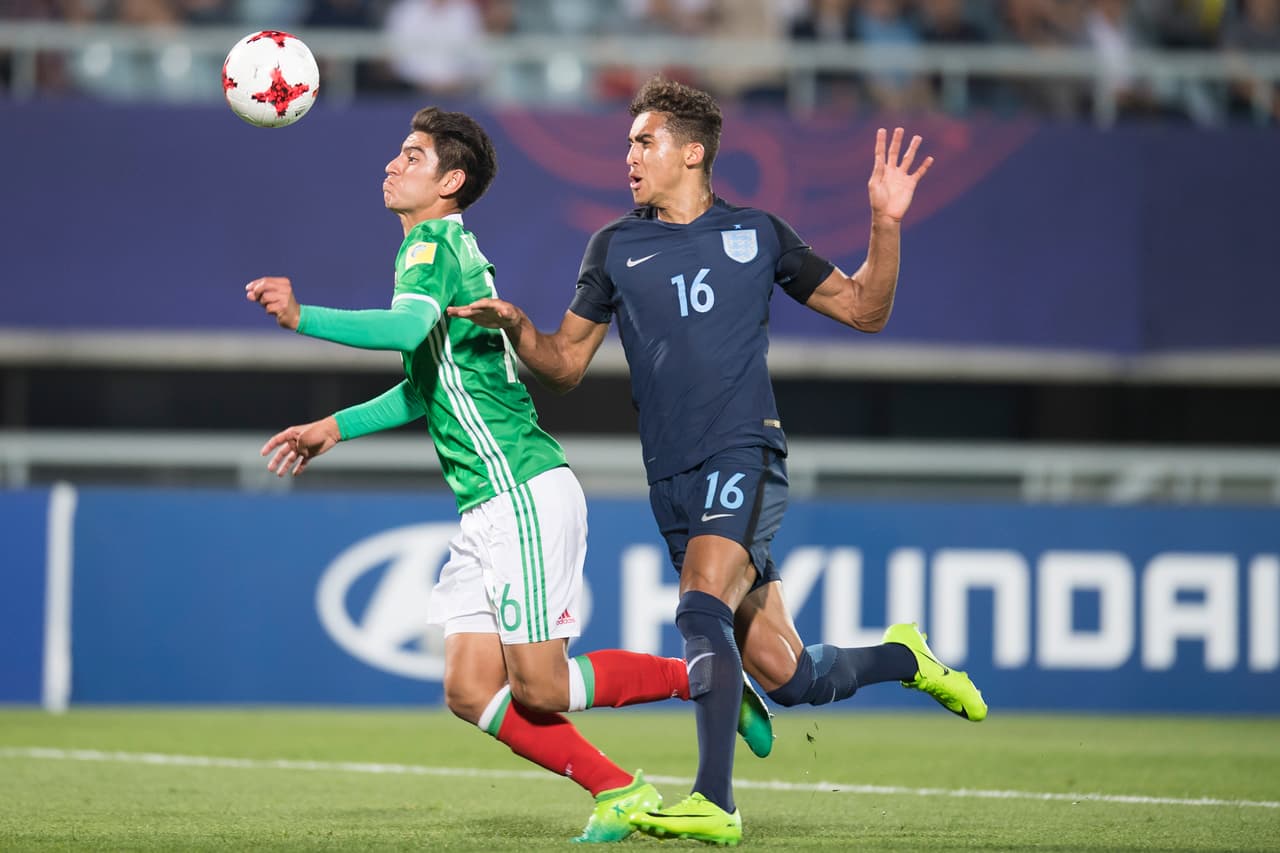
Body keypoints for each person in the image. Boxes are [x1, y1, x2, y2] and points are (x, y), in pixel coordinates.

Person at [448, 77, 988, 846]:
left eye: (645, 141)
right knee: (788, 674)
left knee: (701, 599)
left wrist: (883, 223)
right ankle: (906, 654)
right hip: (670, 475)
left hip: (744, 450)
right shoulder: (614, 246)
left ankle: (714, 799)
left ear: (691, 152)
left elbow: (866, 309)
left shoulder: (759, 234)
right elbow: (565, 365)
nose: (629, 154)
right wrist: (519, 327)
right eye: (629, 141)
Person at [244, 105, 772, 844]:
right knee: (468, 688)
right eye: (397, 153)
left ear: (450, 180)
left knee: (543, 686)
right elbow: (431, 383)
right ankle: (618, 788)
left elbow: (402, 331)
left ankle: (706, 677)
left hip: (520, 491)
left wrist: (304, 316)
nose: (393, 165)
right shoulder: (439, 248)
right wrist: (335, 427)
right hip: (486, 505)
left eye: (412, 155)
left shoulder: (430, 244)